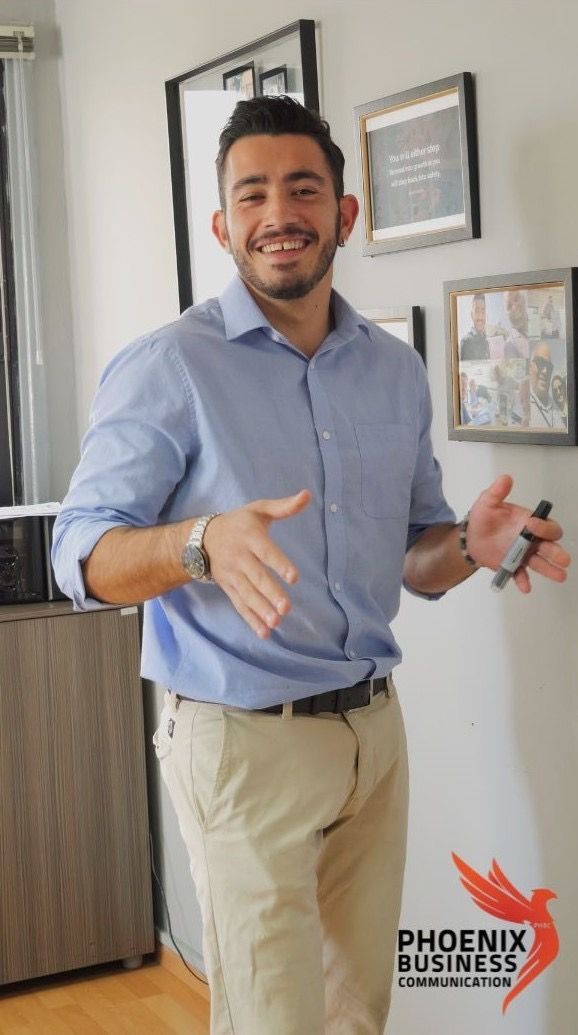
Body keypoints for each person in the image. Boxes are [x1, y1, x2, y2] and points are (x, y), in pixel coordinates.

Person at [51, 97, 570, 1035]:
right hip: (243, 746)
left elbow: (416, 557)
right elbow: (79, 557)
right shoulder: (171, 366)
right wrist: (199, 541)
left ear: (346, 214)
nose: (278, 213)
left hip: (374, 740)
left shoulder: (393, 370)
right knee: (272, 1024)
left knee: (353, 1015)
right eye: (252, 194)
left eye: (303, 188)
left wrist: (470, 546)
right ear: (223, 224)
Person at [529, 341, 566, 429]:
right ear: (530, 367)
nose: (545, 371)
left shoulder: (555, 407)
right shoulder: (523, 405)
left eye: (549, 367)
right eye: (540, 363)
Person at [459, 293, 490, 360]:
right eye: (477, 311)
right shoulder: (466, 341)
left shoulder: (487, 341)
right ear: (472, 315)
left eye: (483, 311)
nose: (480, 316)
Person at [504, 289, 530, 358]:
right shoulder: (510, 345)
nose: (514, 307)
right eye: (509, 306)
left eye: (516, 299)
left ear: (523, 299)